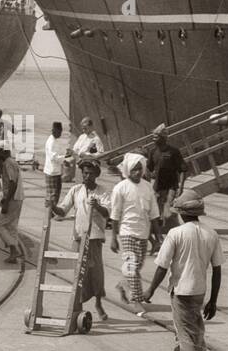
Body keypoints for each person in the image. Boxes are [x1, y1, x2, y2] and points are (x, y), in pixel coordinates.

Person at [142, 191, 223, 351]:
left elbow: (162, 266)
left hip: (181, 292)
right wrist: (213, 300)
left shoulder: (176, 234)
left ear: (180, 213)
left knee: (186, 336)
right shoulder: (211, 233)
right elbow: (217, 270)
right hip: (199, 292)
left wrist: (150, 290)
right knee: (185, 333)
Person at [54, 159, 112, 321]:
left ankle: (98, 303)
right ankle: (77, 305)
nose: (87, 176)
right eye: (84, 173)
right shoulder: (76, 190)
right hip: (79, 237)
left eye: (90, 174)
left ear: (96, 175)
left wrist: (98, 206)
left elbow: (108, 214)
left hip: (94, 238)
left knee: (96, 273)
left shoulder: (103, 192)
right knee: (79, 272)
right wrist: (52, 205)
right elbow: (62, 210)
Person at [110, 153, 161, 304]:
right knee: (131, 266)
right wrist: (114, 237)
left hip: (143, 233)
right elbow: (115, 214)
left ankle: (123, 286)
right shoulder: (120, 188)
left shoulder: (147, 188)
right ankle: (137, 300)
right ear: (127, 170)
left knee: (136, 267)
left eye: (140, 169)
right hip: (126, 232)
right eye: (134, 170)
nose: (138, 172)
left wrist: (158, 239)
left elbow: (154, 214)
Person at [146, 124, 190, 240]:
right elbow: (148, 169)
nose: (154, 139)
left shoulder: (174, 152)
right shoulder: (152, 152)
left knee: (168, 213)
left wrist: (180, 187)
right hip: (157, 188)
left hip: (171, 187)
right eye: (153, 137)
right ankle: (159, 239)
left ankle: (177, 237)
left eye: (156, 137)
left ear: (164, 138)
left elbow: (182, 170)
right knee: (153, 214)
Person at [0, 146, 26, 264]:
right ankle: (13, 254)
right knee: (11, 226)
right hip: (17, 198)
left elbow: (13, 183)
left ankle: (15, 249)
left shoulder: (8, 163)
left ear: (2, 152)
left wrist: (6, 202)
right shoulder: (10, 161)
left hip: (13, 199)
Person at [43, 121, 70, 210]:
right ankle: (49, 212)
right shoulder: (51, 142)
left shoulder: (55, 141)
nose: (60, 134)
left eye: (61, 131)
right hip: (52, 172)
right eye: (59, 131)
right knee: (52, 194)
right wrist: (65, 158)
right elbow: (53, 157)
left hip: (55, 171)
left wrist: (64, 157)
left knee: (55, 193)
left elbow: (58, 154)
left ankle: (51, 211)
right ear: (54, 131)